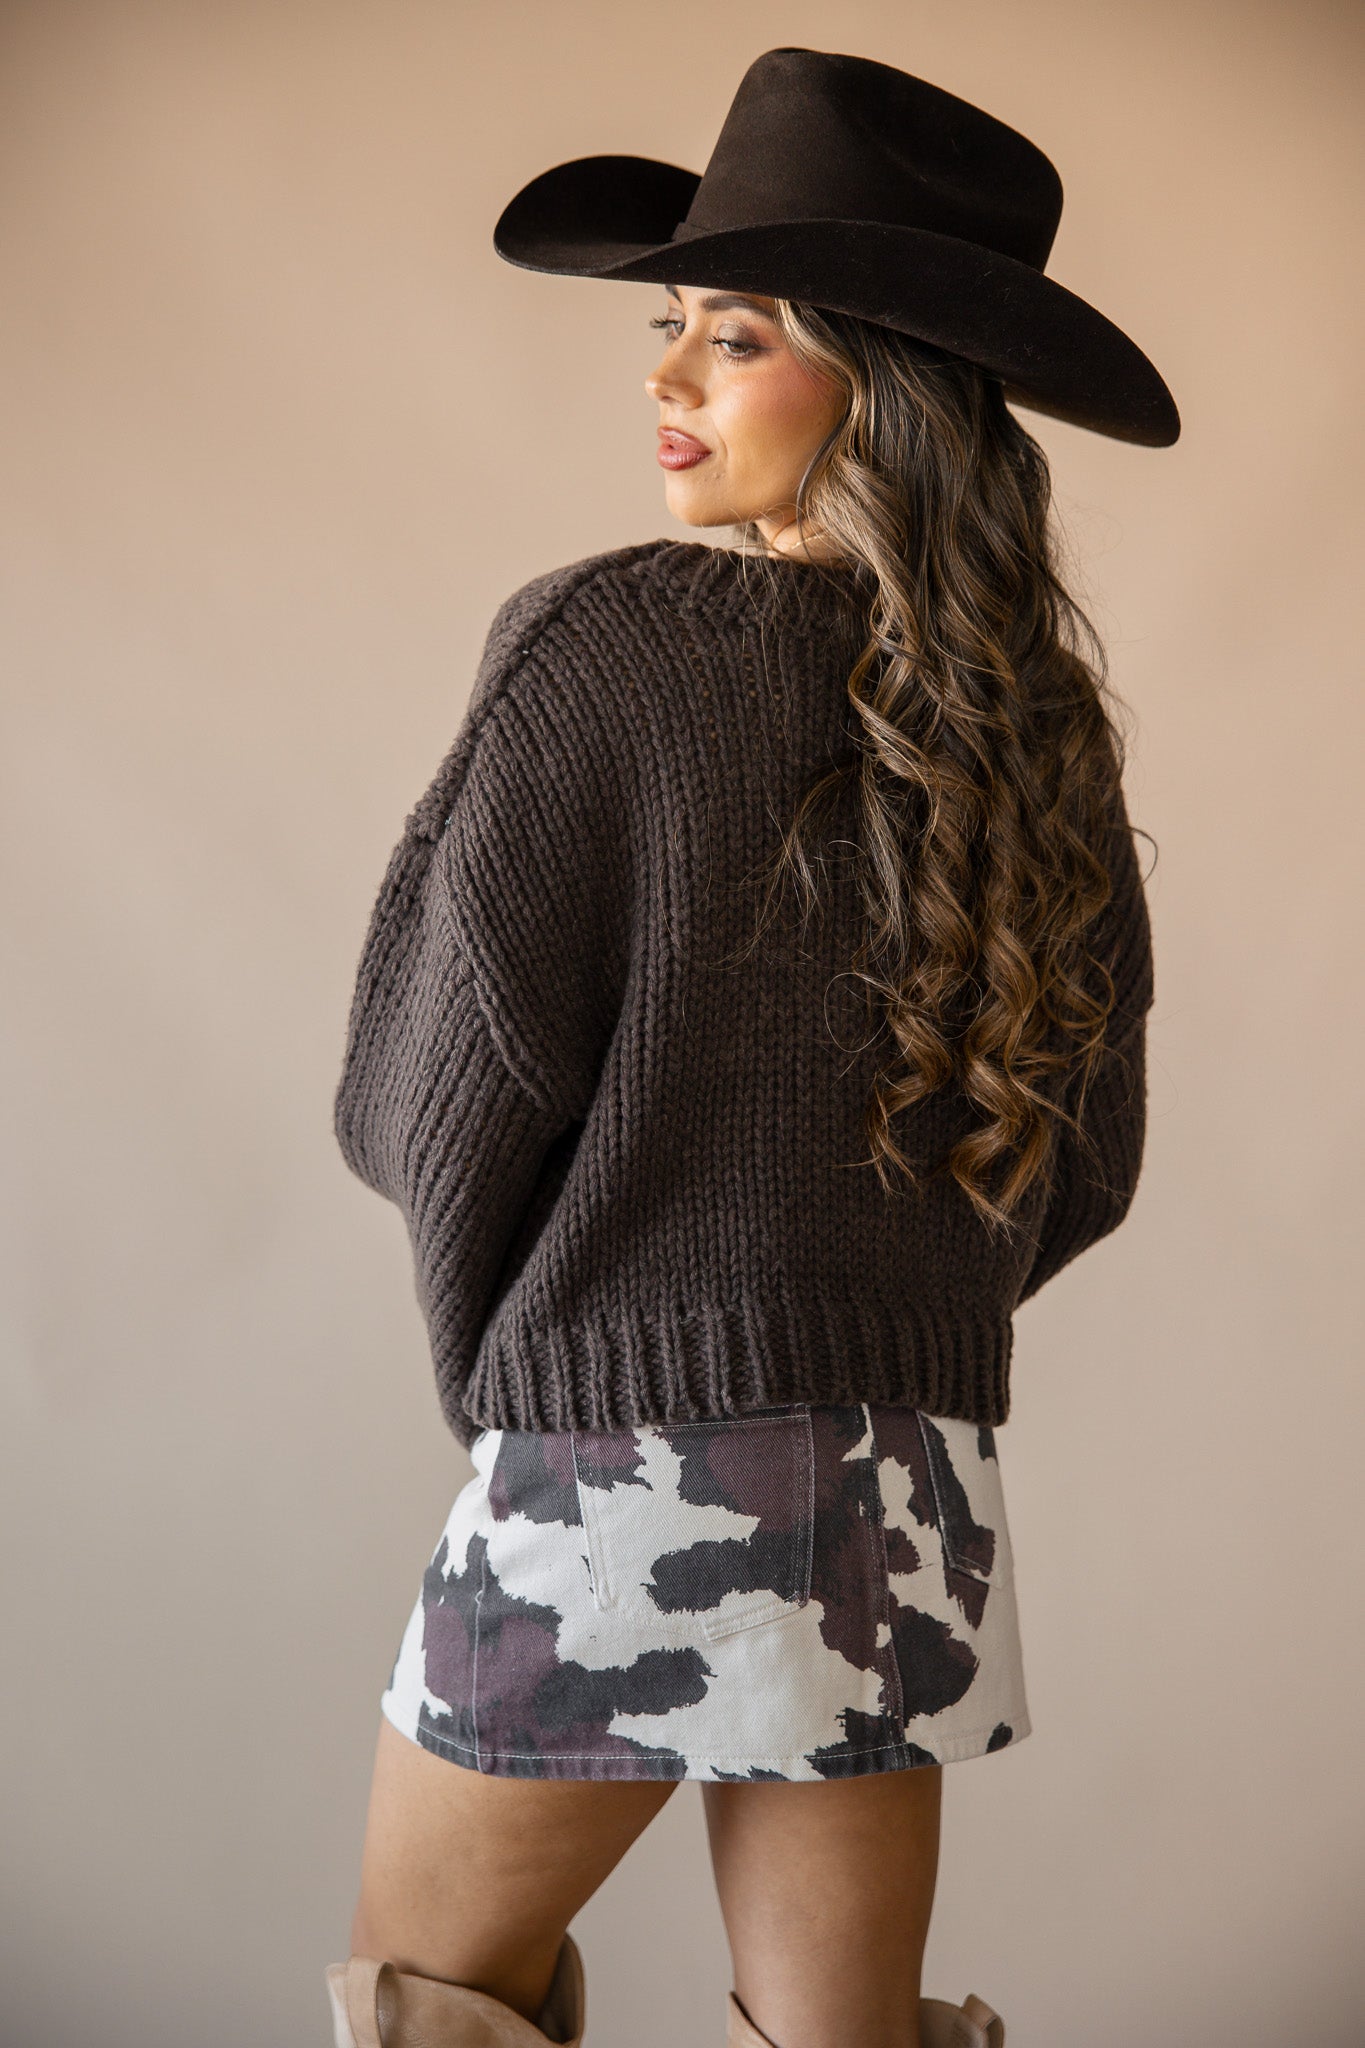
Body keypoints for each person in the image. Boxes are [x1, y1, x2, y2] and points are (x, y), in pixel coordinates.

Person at [322, 46, 1177, 2048]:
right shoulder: (1033, 726)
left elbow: (427, 1084)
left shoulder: (601, 645)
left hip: (623, 1461)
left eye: (736, 333)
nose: (666, 378)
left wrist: (539, 1343)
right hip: (910, 1492)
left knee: (435, 2000)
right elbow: (1081, 1149)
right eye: (668, 329)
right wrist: (884, 1316)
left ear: (879, 380)